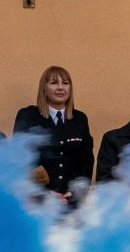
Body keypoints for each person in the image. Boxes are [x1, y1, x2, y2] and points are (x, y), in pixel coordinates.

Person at [11, 66, 93, 198]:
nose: (60, 88)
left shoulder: (80, 119)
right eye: (54, 83)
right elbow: (21, 158)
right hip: (38, 199)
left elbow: (86, 161)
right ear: (44, 88)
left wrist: (74, 193)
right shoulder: (28, 116)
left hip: (71, 198)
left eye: (65, 83)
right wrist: (45, 192)